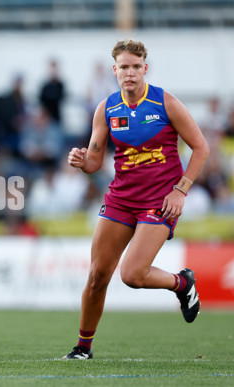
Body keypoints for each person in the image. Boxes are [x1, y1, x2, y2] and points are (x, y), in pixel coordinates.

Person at [64, 39, 209, 360]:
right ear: (114, 70)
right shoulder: (107, 108)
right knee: (97, 276)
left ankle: (181, 284)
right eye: (123, 67)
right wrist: (81, 160)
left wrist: (180, 189)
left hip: (160, 201)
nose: (130, 73)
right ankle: (82, 348)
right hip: (120, 199)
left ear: (146, 68)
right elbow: (94, 161)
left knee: (131, 275)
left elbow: (201, 148)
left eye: (136, 67)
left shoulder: (165, 103)